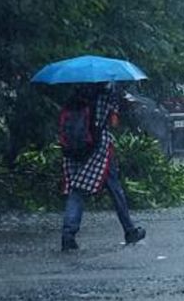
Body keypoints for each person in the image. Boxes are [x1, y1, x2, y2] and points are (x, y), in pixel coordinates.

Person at [61, 83, 145, 251]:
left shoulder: (76, 92)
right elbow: (113, 121)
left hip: (75, 149)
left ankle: (68, 234)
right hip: (99, 148)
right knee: (115, 189)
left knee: (77, 189)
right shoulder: (107, 92)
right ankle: (129, 230)